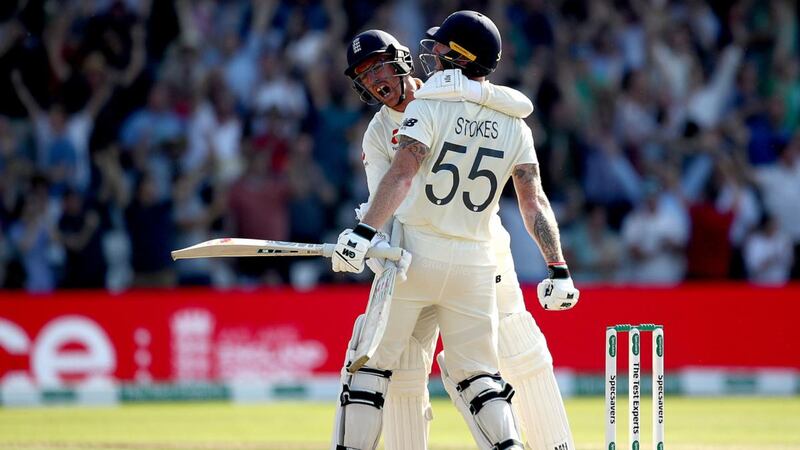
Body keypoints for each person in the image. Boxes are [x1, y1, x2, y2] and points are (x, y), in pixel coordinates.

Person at [331, 11, 579, 450]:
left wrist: (363, 232)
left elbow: (402, 177)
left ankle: (554, 445)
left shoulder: (434, 105)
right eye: (364, 75)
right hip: (440, 255)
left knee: (516, 349)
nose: (374, 80)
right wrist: (376, 239)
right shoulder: (498, 112)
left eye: (379, 67)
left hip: (474, 249)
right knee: (433, 370)